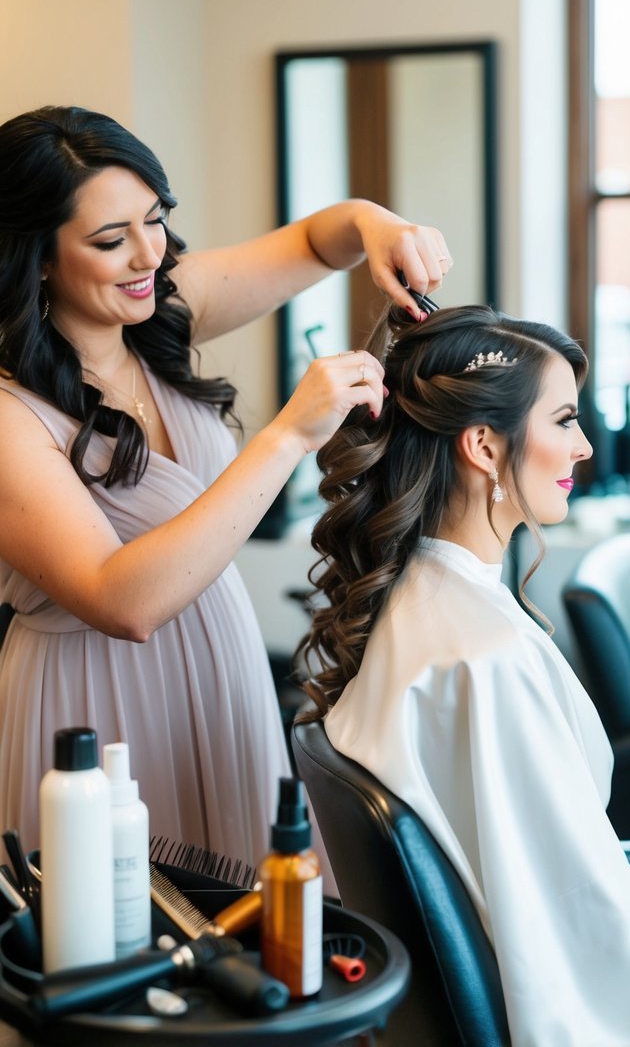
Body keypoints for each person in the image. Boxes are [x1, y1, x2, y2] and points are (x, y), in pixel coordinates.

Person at [295, 301, 630, 1046]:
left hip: (595, 961)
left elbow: (536, 859)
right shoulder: (481, 656)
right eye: (563, 420)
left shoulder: (426, 602)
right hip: (599, 1004)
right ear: (483, 445)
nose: (581, 447)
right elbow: (544, 906)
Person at [0, 104, 452, 870]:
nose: (150, 255)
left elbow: (318, 240)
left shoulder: (162, 311)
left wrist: (378, 227)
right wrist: (287, 436)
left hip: (223, 675)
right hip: (92, 708)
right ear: (37, 257)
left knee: (256, 931)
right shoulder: (13, 414)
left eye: (155, 218)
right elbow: (123, 601)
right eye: (111, 240)